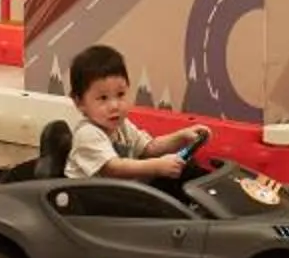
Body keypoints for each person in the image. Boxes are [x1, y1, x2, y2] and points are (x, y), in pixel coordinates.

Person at [65, 42, 206, 182]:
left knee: (187, 168)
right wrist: (157, 166)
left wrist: (181, 137)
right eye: (103, 98)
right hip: (91, 195)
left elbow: (149, 148)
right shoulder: (87, 133)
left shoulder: (122, 125)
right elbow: (114, 168)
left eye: (120, 94)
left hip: (120, 190)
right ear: (80, 103)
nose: (114, 106)